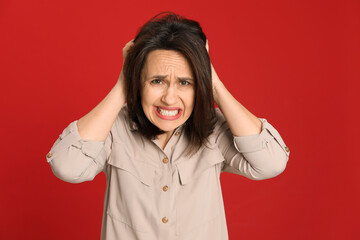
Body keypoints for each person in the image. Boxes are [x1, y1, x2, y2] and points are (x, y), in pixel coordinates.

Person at [46, 12, 290, 240]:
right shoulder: (114, 128)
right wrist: (124, 82)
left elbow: (272, 162)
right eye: (157, 81)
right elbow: (67, 166)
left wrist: (213, 82)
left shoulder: (213, 128)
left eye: (185, 82)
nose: (170, 98)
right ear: (138, 82)